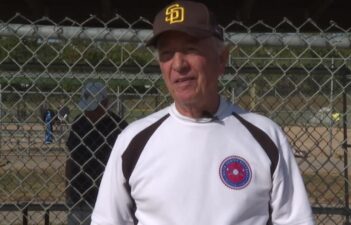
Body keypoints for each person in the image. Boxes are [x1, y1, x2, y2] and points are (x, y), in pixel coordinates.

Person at [91, 1, 315, 225]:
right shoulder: (133, 140)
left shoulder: (265, 135)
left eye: (191, 49)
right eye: (167, 53)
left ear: (222, 59)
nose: (178, 65)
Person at [66, 81, 127, 225]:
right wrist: (68, 190)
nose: (88, 112)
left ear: (105, 103)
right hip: (78, 197)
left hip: (107, 199)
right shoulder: (79, 123)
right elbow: (70, 158)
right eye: (87, 108)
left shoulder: (119, 128)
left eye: (93, 109)